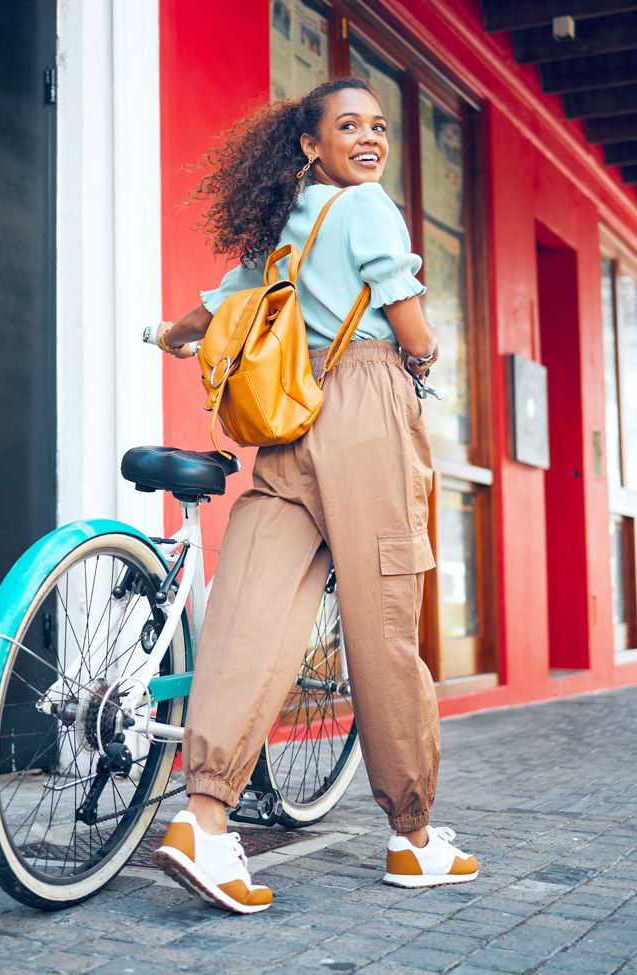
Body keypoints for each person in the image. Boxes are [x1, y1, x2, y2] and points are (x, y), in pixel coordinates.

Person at [148, 77, 478, 915]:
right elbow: (412, 327)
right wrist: (425, 353)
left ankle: (205, 817)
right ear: (310, 144)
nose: (370, 139)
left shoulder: (283, 228)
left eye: (379, 127)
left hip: (288, 425)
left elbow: (208, 312)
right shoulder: (369, 208)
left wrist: (166, 335)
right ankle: (412, 836)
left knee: (250, 614)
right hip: (366, 411)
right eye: (349, 125)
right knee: (384, 622)